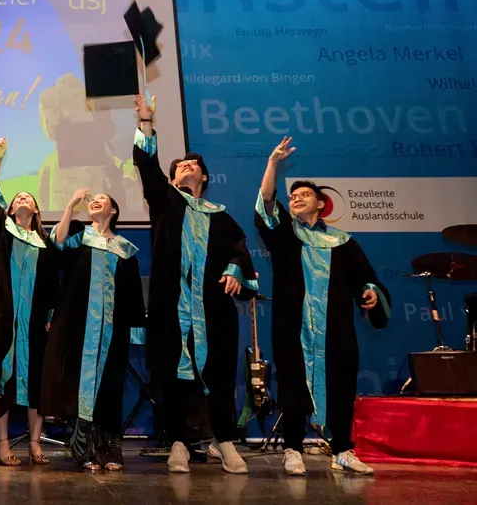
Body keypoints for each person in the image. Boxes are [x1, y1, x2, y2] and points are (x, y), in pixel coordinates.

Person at [132, 94, 258, 474]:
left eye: (194, 164)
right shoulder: (165, 203)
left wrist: (235, 270)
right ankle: (177, 443)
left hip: (213, 310)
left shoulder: (222, 218)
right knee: (169, 373)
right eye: (180, 165)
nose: (187, 165)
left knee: (220, 373)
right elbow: (147, 168)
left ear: (204, 177)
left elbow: (240, 251)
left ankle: (225, 441)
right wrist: (146, 124)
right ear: (172, 180)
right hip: (171, 306)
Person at [256, 136, 391, 477]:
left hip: (336, 327)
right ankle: (292, 448)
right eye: (293, 196)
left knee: (342, 385)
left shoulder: (342, 242)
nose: (296, 198)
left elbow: (366, 278)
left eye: (304, 195)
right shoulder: (285, 235)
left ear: (321, 203)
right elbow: (268, 202)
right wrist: (272, 163)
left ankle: (343, 450)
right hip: (293, 326)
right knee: (292, 385)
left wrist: (370, 292)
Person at [43, 188, 146, 471]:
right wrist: (71, 203)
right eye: (94, 199)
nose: (96, 201)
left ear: (113, 211)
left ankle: (108, 449)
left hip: (113, 329)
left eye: (103, 199)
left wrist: (135, 330)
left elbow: (133, 293)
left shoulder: (124, 248)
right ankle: (83, 448)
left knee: (110, 386)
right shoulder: (79, 236)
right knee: (80, 384)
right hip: (78, 325)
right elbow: (56, 243)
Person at [0, 138, 58, 467]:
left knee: (36, 381)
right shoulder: (3, 232)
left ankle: (35, 444)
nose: (23, 199)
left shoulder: (44, 244)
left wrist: (49, 315)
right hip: (3, 319)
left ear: (36, 210)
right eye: (17, 198)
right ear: (10, 210)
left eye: (29, 197)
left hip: (35, 323)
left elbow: (52, 286)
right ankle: (2, 444)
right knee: (2, 380)